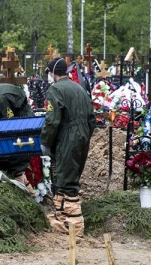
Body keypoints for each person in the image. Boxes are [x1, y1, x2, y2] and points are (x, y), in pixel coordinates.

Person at [40, 57, 96, 237]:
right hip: (83, 134)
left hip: (67, 135)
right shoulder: (79, 88)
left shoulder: (55, 90)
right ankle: (63, 215)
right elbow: (92, 118)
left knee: (65, 177)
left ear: (52, 72)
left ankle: (75, 226)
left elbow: (52, 120)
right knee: (70, 173)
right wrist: (85, 134)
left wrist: (46, 142)